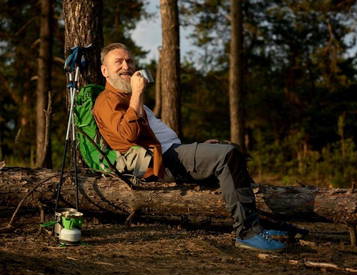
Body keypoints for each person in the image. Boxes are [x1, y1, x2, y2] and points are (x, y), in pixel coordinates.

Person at [93, 43, 288, 251]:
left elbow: (158, 136)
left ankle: (258, 226)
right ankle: (248, 233)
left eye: (129, 61)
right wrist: (138, 94)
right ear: (105, 71)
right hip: (161, 161)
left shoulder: (128, 98)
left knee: (227, 149)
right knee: (226, 155)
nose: (127, 66)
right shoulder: (106, 100)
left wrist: (199, 148)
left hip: (172, 152)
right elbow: (129, 135)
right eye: (119, 62)